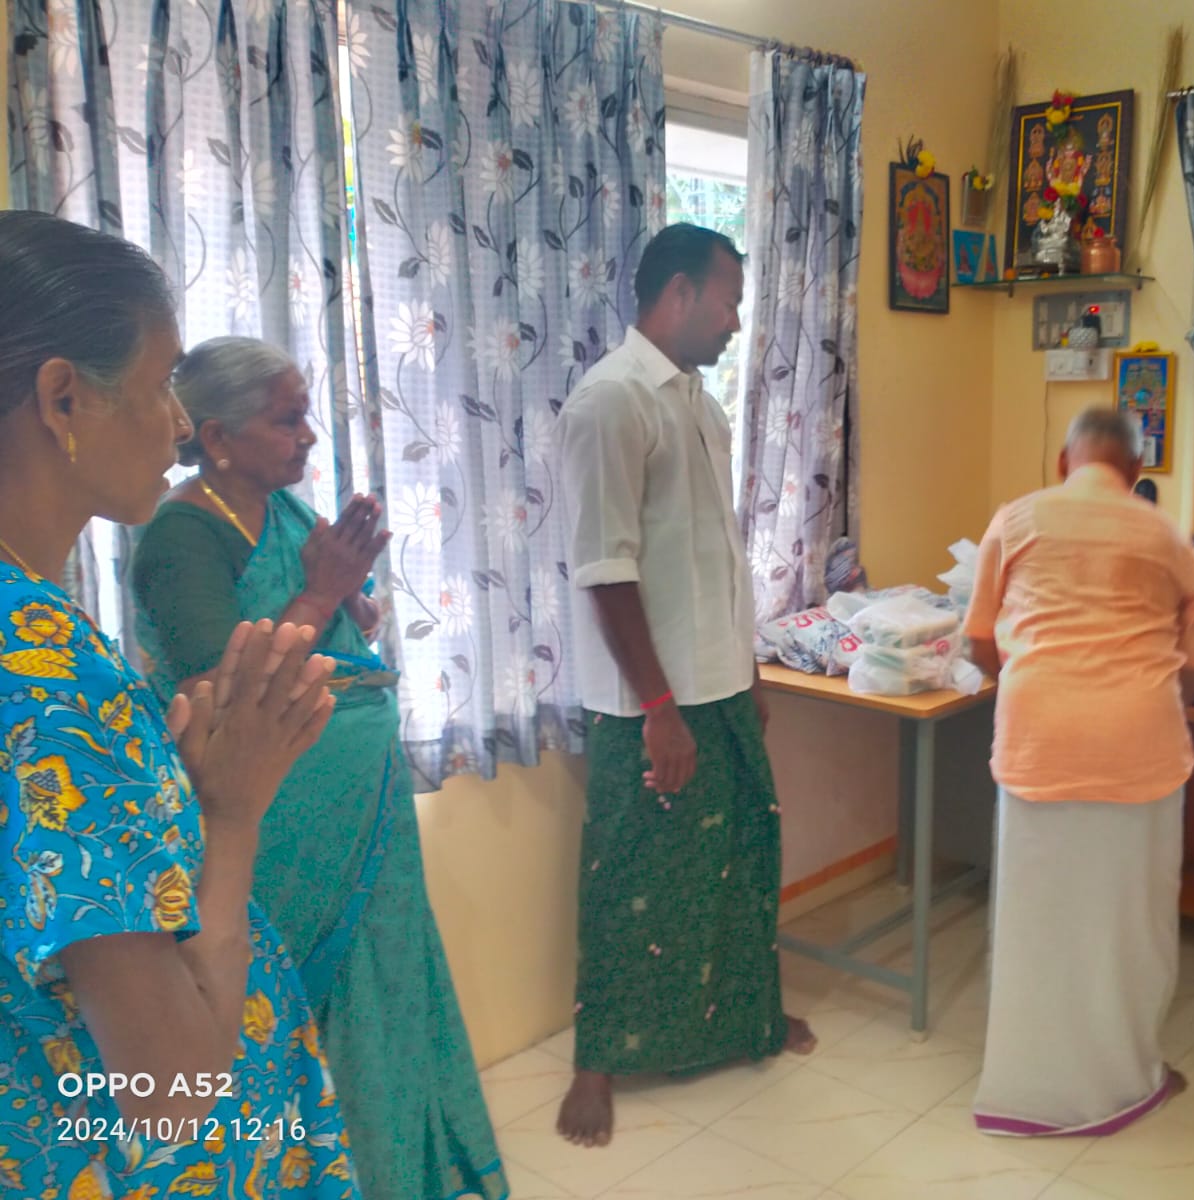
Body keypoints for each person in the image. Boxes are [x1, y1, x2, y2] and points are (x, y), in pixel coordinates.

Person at [0, 210, 359, 1196]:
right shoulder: (48, 676)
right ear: (64, 399)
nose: (176, 423)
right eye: (161, 382)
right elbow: (169, 1092)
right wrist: (229, 814)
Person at [130, 337, 505, 1199]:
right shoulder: (183, 536)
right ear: (217, 438)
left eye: (305, 415)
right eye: (287, 419)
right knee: (297, 1010)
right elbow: (221, 696)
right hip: (279, 831)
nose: (307, 436)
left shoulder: (281, 509)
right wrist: (323, 595)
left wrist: (350, 604)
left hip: (358, 806)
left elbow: (326, 633)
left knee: (386, 989)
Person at [556, 223, 816, 1148]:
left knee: (736, 863)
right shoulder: (611, 402)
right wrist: (661, 710)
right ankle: (597, 1062)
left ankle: (742, 1021)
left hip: (717, 684)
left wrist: (745, 674)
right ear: (679, 294)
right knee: (629, 874)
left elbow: (714, 559)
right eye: (730, 300)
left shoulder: (697, 402)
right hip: (647, 701)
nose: (737, 321)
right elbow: (607, 570)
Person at [963, 407, 1194, 1137]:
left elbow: (978, 639)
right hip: (1140, 747)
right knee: (1128, 922)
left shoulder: (1015, 519)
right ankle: (1126, 1081)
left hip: (1040, 740)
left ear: (1064, 463)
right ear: (1136, 472)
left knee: (1039, 918)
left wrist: (1031, 676)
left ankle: (1024, 1094)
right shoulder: (1167, 536)